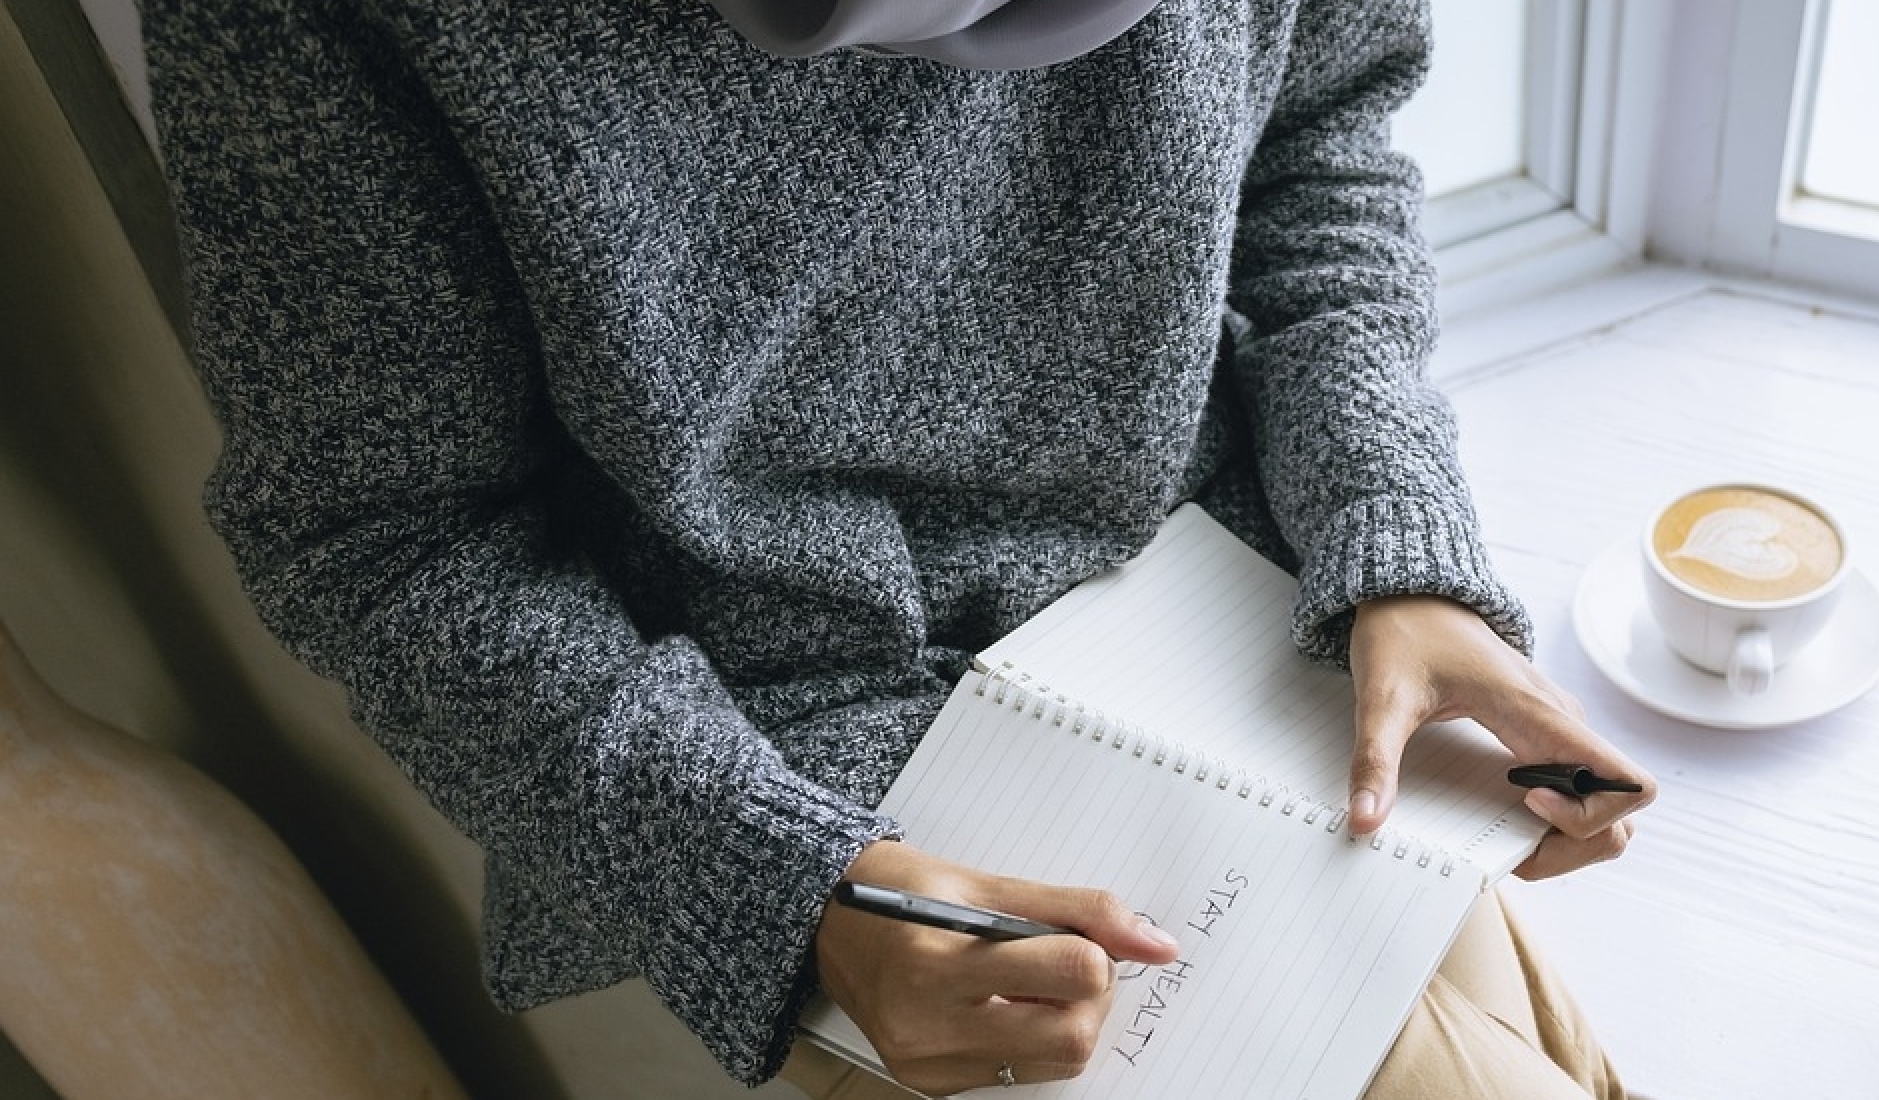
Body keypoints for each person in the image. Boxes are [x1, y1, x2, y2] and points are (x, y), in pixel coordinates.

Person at [140, 0, 1655, 1094]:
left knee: (1554, 1060)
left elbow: (1318, 145)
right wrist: (781, 890)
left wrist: (1393, 548)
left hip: (1212, 594)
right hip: (793, 746)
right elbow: (384, 536)